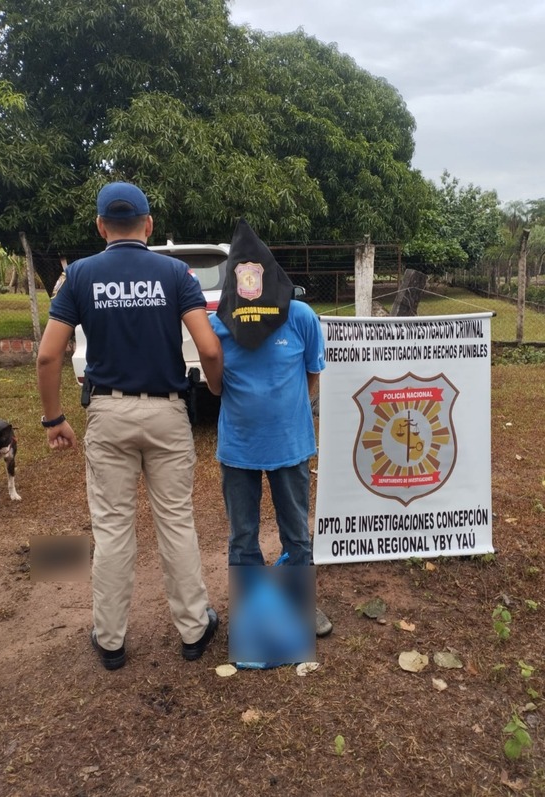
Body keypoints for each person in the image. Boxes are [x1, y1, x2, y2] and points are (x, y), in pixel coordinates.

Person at [36, 181, 223, 670]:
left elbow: (48, 356)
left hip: (108, 414)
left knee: (113, 529)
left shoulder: (79, 275)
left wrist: (54, 418)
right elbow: (208, 348)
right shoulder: (176, 274)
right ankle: (193, 630)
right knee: (176, 522)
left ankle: (111, 640)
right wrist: (216, 387)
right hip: (167, 413)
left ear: (101, 226)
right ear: (149, 225)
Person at [210, 218, 333, 638]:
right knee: (242, 536)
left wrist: (287, 409)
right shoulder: (218, 325)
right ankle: (250, 610)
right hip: (238, 448)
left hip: (290, 445)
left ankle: (301, 604)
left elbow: (312, 371)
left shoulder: (300, 317)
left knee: (296, 533)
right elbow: (215, 385)